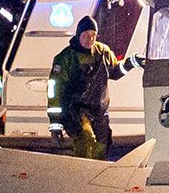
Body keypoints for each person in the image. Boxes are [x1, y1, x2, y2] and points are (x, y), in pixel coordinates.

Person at [48, 15, 138, 160]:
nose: (89, 39)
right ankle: (82, 176)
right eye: (85, 35)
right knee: (86, 139)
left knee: (102, 146)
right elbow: (55, 92)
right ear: (78, 35)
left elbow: (115, 72)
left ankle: (98, 176)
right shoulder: (65, 58)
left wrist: (131, 63)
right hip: (75, 110)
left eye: (93, 35)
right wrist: (55, 124)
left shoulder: (103, 52)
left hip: (99, 111)